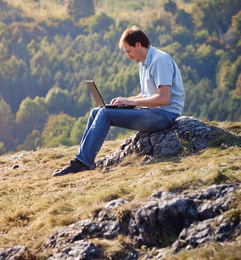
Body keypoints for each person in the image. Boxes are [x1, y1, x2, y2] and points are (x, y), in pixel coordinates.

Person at [53, 26, 185, 177]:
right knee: (96, 112)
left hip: (164, 115)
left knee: (105, 114)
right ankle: (81, 159)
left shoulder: (160, 60)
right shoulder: (144, 63)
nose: (128, 56)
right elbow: (146, 94)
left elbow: (164, 98)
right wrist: (126, 100)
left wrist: (132, 103)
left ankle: (82, 163)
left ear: (138, 44)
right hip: (152, 111)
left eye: (128, 51)